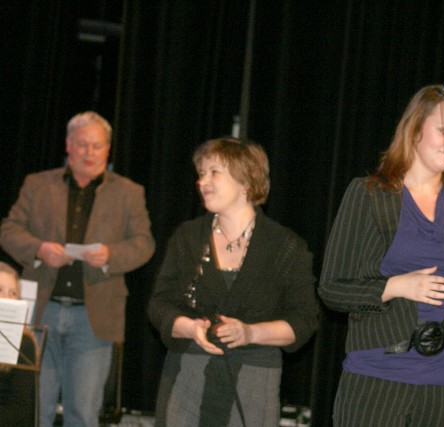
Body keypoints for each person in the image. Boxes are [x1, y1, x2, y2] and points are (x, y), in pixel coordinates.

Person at [318, 84, 444, 426]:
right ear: (415, 130)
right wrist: (396, 286)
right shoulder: (370, 195)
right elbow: (331, 289)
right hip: (378, 374)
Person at [148, 137, 320, 426]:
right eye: (201, 173)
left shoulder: (285, 246)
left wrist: (250, 333)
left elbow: (304, 321)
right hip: (187, 375)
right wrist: (189, 328)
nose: (202, 182)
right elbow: (159, 304)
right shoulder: (188, 237)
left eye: (214, 172)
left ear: (245, 181)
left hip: (252, 380)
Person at [0, 111, 155, 426]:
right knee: (33, 408)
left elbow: (144, 244)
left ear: (108, 148)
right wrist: (39, 249)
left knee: (83, 413)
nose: (90, 153)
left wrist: (111, 255)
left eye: (97, 146)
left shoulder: (129, 192)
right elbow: (9, 230)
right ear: (68, 145)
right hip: (41, 311)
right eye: (82, 144)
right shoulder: (38, 184)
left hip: (94, 318)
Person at [0, 261, 37, 426]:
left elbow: (20, 409)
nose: (6, 298)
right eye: (0, 290)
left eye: (13, 293)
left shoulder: (24, 343)